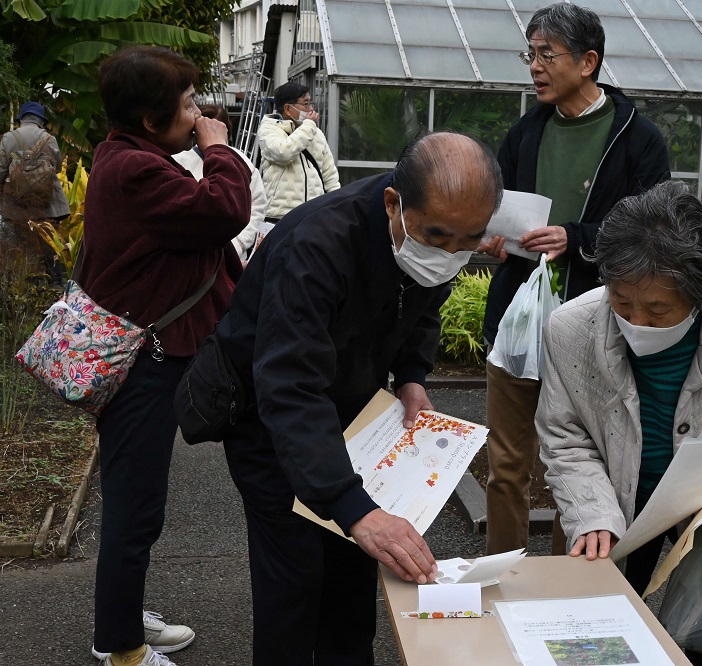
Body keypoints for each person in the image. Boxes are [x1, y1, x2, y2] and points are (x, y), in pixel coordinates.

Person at [216, 131, 503, 665]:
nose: (448, 255)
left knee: (351, 581)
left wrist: (413, 377)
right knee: (295, 582)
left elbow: (421, 304)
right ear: (393, 203)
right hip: (269, 421)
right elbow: (290, 386)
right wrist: (355, 507)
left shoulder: (432, 235)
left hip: (355, 423)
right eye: (437, 237)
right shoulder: (317, 245)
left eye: (467, 242)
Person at [537, 180, 702, 665]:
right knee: (596, 640)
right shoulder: (570, 328)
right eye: (621, 301)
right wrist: (591, 511)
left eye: (659, 309)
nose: (637, 319)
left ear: (701, 293)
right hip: (615, 503)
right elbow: (564, 433)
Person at [78, 46, 252, 666]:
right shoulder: (136, 170)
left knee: (138, 502)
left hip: (160, 350)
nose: (198, 112)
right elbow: (225, 209)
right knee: (134, 504)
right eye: (186, 103)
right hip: (143, 363)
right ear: (152, 119)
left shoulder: (133, 157)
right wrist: (218, 149)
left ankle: (123, 615)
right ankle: (119, 644)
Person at [479, 1, 671, 555]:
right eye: (530, 54)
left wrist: (577, 238)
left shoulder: (637, 138)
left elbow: (653, 229)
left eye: (547, 55)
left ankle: (573, 581)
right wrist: (496, 239)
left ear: (588, 62)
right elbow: (502, 206)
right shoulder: (524, 134)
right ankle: (503, 574)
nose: (535, 67)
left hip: (596, 322)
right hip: (519, 314)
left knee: (586, 463)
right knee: (507, 462)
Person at [172, 104, 268, 261]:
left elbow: (257, 206)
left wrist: (237, 244)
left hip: (234, 257)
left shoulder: (242, 162)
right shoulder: (179, 160)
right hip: (193, 259)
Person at [0, 100, 71, 284]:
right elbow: (58, 167)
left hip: (18, 201)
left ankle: (29, 282)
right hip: (47, 202)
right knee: (49, 242)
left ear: (21, 119)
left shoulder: (9, 138)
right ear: (41, 121)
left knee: (24, 241)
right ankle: (57, 282)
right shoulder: (49, 139)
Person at [258, 81, 340, 222]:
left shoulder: (316, 133)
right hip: (279, 216)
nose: (311, 109)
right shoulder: (268, 130)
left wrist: (338, 206)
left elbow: (330, 175)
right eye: (306, 103)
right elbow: (284, 153)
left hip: (313, 215)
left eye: (310, 103)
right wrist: (309, 125)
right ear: (288, 109)